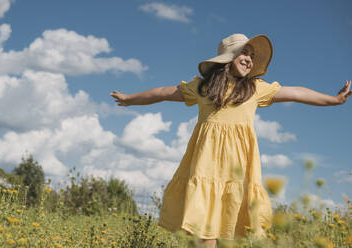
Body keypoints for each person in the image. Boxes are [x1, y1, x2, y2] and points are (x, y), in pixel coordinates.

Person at [110, 33, 351, 247]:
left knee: (227, 230)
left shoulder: (256, 89)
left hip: (238, 169)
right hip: (206, 166)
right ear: (228, 58)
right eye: (243, 53)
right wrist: (130, 98)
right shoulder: (202, 88)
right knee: (205, 233)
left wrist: (334, 99)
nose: (249, 59)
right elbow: (162, 92)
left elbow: (297, 92)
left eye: (251, 55)